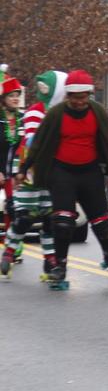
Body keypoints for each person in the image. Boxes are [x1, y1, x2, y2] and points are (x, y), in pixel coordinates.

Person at [18, 69, 108, 290]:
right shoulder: (56, 114)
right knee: (62, 221)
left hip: (90, 172)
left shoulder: (97, 112)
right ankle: (60, 266)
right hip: (62, 172)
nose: (80, 102)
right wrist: (25, 168)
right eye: (75, 98)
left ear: (89, 95)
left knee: (102, 223)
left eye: (84, 97)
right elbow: (39, 144)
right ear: (67, 96)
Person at [2, 71, 66, 278]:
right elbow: (32, 143)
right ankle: (9, 252)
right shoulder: (35, 112)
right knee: (25, 217)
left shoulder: (60, 111)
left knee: (48, 218)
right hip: (28, 169)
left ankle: (50, 261)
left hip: (49, 171)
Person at [0, 77, 24, 261]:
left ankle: (12, 247)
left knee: (12, 209)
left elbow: (24, 147)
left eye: (17, 95)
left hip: (11, 173)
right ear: (3, 99)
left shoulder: (21, 121)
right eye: (11, 96)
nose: (15, 99)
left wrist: (18, 172)